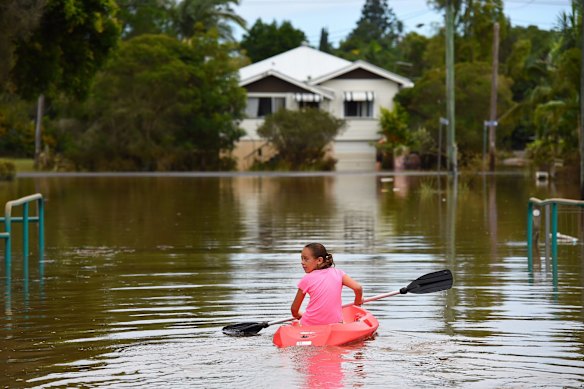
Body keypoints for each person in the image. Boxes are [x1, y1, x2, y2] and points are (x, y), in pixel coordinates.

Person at [291, 243, 363, 326]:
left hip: (309, 325)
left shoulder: (306, 279)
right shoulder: (338, 273)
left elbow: (294, 310)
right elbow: (358, 288)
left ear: (319, 260)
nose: (302, 262)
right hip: (336, 325)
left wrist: (301, 317)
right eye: (302, 259)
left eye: (306, 259)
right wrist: (358, 303)